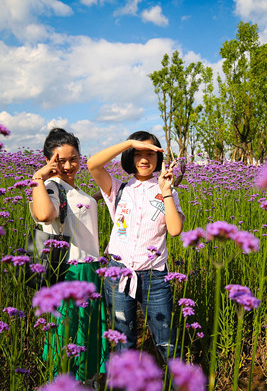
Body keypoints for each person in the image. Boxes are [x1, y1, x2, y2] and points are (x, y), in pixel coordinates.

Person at [87, 131, 184, 361]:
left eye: (150, 153)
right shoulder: (118, 190)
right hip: (119, 274)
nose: (143, 159)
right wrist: (129, 142)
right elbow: (93, 164)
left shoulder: (167, 192)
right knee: (124, 341)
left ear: (158, 157)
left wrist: (167, 191)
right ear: (130, 156)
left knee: (167, 341)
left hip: (156, 278)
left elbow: (175, 229)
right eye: (137, 153)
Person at [29, 128, 108, 383]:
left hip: (90, 269)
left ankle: (85, 381)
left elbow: (78, 208)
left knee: (87, 330)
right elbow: (44, 215)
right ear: (48, 161)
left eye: (73, 158)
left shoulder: (74, 190)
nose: (68, 165)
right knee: (67, 332)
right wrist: (38, 179)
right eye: (59, 160)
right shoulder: (50, 187)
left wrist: (101, 196)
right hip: (69, 270)